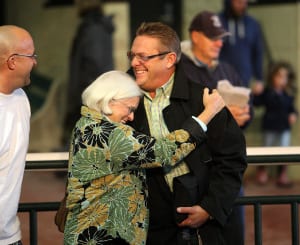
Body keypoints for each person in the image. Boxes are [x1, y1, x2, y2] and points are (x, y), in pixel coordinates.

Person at [63, 70, 226, 245]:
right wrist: (208, 113)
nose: (131, 116)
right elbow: (165, 152)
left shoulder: (85, 124)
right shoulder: (109, 133)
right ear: (110, 99)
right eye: (130, 109)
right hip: (105, 235)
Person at [127, 22, 247, 245]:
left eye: (143, 56)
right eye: (132, 55)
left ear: (170, 59)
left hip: (199, 232)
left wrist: (209, 208)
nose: (135, 63)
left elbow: (232, 159)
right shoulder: (118, 100)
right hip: (139, 232)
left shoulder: (203, 99)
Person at [180, 10, 251, 244]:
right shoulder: (180, 70)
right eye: (213, 37)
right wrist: (222, 117)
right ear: (195, 36)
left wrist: (241, 116)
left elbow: (245, 118)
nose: (219, 43)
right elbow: (177, 119)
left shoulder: (228, 70)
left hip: (225, 166)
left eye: (221, 37)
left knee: (232, 234)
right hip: (195, 167)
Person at [0, 25, 37, 245]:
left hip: (10, 235)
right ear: (12, 61)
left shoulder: (21, 98)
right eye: (31, 55)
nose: (35, 62)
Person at [62, 0, 115, 148]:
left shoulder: (93, 28)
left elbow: (95, 63)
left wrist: (86, 97)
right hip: (94, 94)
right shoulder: (96, 27)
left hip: (89, 96)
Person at [253, 61, 298, 187]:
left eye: (285, 77)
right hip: (270, 125)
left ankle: (282, 175)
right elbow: (256, 102)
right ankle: (262, 172)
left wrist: (293, 114)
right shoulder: (267, 92)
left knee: (285, 151)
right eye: (279, 76)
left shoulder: (288, 94)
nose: (282, 80)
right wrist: (255, 93)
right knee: (266, 149)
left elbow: (292, 108)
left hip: (284, 126)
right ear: (273, 77)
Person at [219, 0, 264, 94]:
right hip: (221, 80)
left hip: (245, 80)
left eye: (245, 3)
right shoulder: (218, 21)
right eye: (239, 2)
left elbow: (258, 53)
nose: (242, 6)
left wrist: (259, 78)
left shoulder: (252, 24)